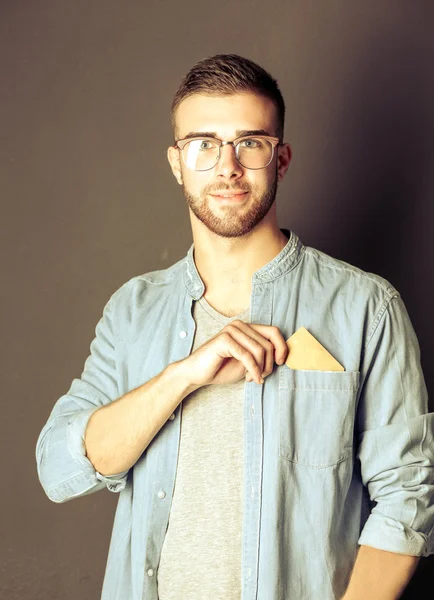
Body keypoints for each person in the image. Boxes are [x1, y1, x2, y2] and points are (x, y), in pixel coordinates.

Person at [36, 54, 434, 600]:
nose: (227, 167)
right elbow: (60, 466)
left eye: (250, 143)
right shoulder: (133, 310)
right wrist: (184, 377)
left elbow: (408, 499)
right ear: (177, 163)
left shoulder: (366, 307)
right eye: (204, 144)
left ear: (282, 158)